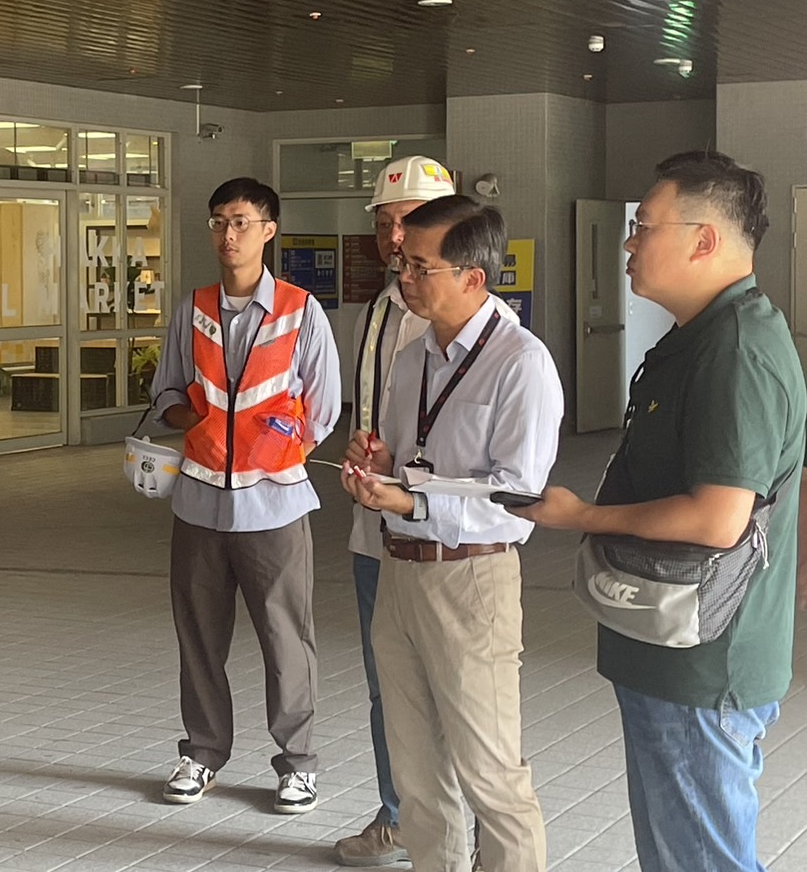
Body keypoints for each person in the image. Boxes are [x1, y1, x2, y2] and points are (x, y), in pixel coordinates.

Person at [523, 151, 805, 872]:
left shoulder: (736, 348)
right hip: (668, 649)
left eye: (642, 227)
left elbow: (717, 519)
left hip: (702, 667)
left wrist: (579, 516)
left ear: (703, 239)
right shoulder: (699, 336)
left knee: (699, 860)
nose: (626, 243)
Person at [342, 195, 557, 872]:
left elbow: (515, 497)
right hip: (399, 572)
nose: (404, 278)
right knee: (417, 773)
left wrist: (409, 502)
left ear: (473, 276)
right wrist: (380, 468)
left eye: (420, 267)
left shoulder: (520, 364)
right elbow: (415, 467)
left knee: (489, 775)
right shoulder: (413, 359)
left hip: (471, 580)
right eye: (402, 263)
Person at [149, 176, 340, 814]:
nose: (227, 235)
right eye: (218, 223)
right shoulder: (194, 307)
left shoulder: (299, 309)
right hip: (199, 502)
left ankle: (298, 764)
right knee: (198, 637)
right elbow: (168, 391)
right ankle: (201, 753)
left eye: (240, 222)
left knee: (286, 636)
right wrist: (194, 426)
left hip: (275, 504)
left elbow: (323, 407)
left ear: (268, 230)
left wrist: (273, 452)